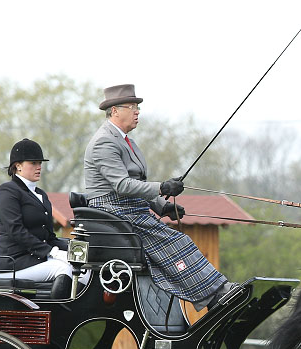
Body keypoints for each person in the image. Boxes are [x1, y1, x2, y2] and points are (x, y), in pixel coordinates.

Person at [83, 84, 236, 311]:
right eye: (132, 107)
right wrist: (162, 187)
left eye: (138, 108)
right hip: (112, 211)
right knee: (176, 241)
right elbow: (122, 185)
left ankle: (216, 291)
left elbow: (138, 186)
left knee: (180, 240)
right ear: (114, 111)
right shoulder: (104, 142)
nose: (137, 112)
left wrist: (162, 206)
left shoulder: (127, 141)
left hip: (129, 208)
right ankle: (215, 295)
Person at [0, 139, 87, 291]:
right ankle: (60, 314)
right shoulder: (7, 191)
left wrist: (76, 248)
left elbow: (49, 238)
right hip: (12, 263)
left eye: (40, 163)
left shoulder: (41, 195)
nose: (39, 167)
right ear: (18, 166)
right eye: (33, 163)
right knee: (64, 269)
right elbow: (16, 230)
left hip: (37, 259)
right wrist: (53, 252)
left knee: (86, 270)